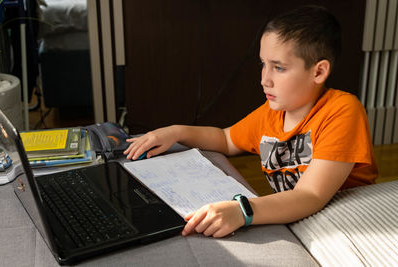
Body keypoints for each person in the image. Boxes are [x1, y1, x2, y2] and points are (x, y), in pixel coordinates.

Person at [123, 5, 378, 238]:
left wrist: (242, 209)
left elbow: (311, 195)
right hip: (296, 213)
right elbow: (226, 139)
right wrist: (175, 132)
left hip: (342, 217)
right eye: (263, 65)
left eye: (278, 67)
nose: (264, 79)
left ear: (319, 71)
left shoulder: (343, 110)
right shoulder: (273, 112)